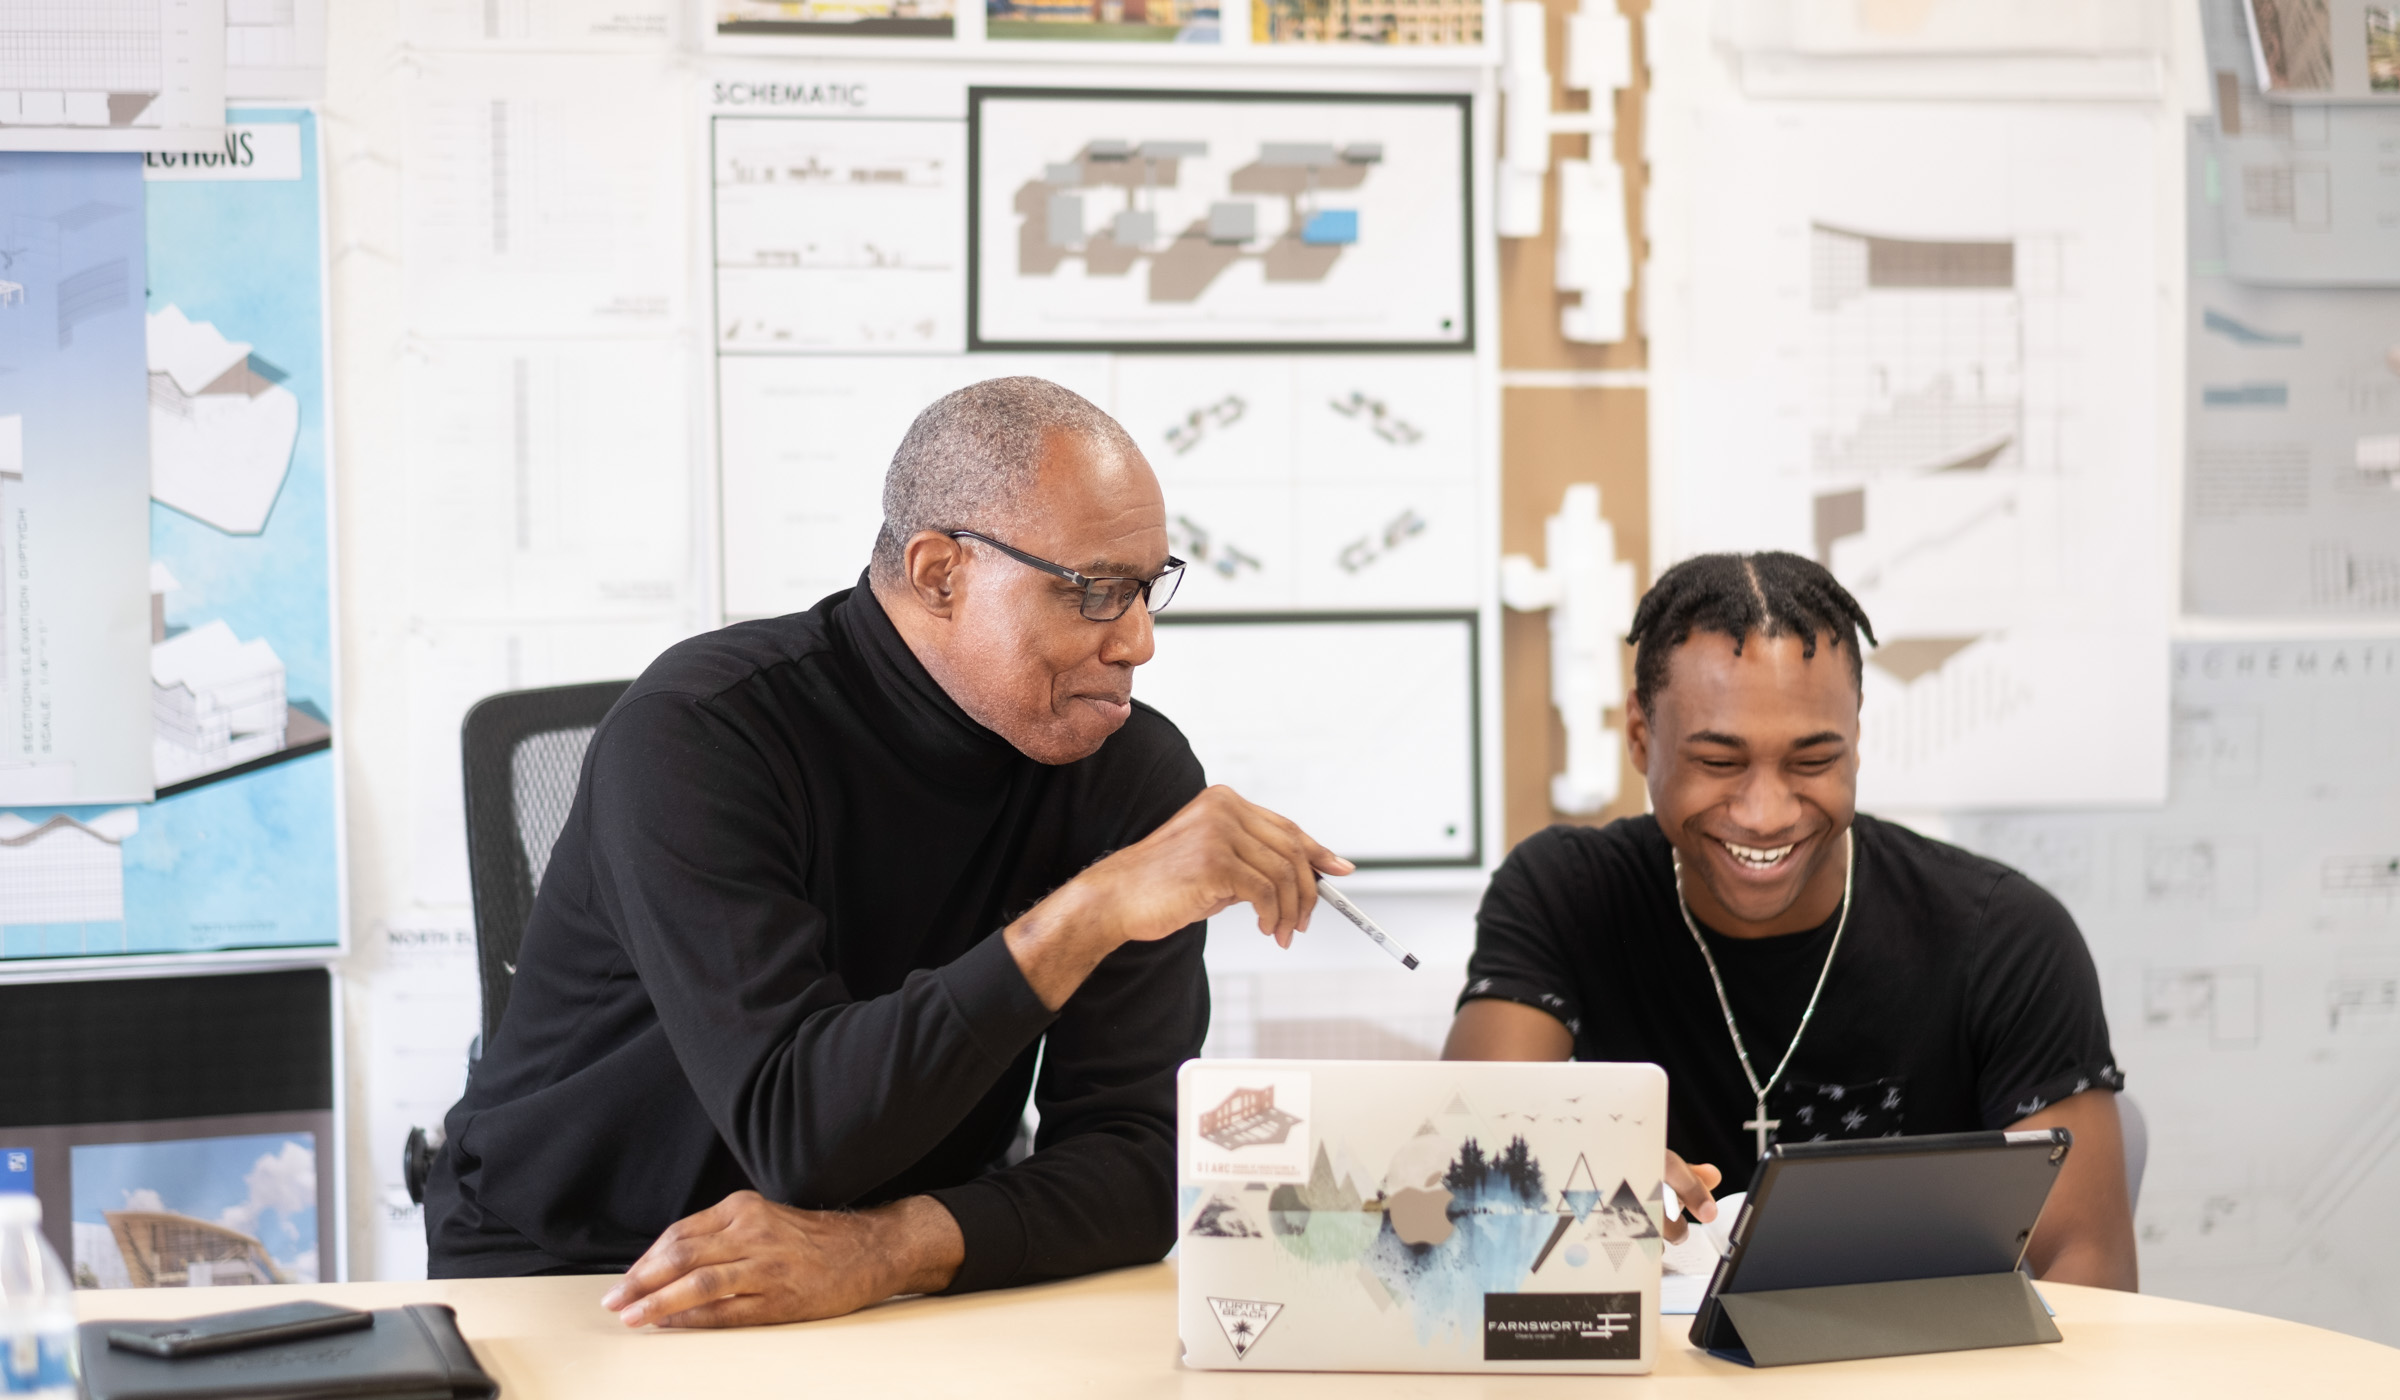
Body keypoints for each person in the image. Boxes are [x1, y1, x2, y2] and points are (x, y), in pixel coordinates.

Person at [424, 378, 1351, 1325]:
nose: (1140, 642)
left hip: (887, 1280)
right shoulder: (698, 734)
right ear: (941, 572)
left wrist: (889, 1248)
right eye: (1096, 593)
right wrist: (1094, 908)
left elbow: (1143, 1161)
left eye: (1149, 589)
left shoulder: (1131, 773)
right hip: (582, 1275)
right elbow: (796, 1131)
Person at [1443, 552, 2137, 1290]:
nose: (1765, 813)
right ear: (1641, 736)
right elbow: (1462, 1178)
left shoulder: (2003, 936)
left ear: (1857, 737)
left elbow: (2083, 1281)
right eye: (1718, 761)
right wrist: (1571, 1169)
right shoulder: (1565, 894)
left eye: (1811, 761)